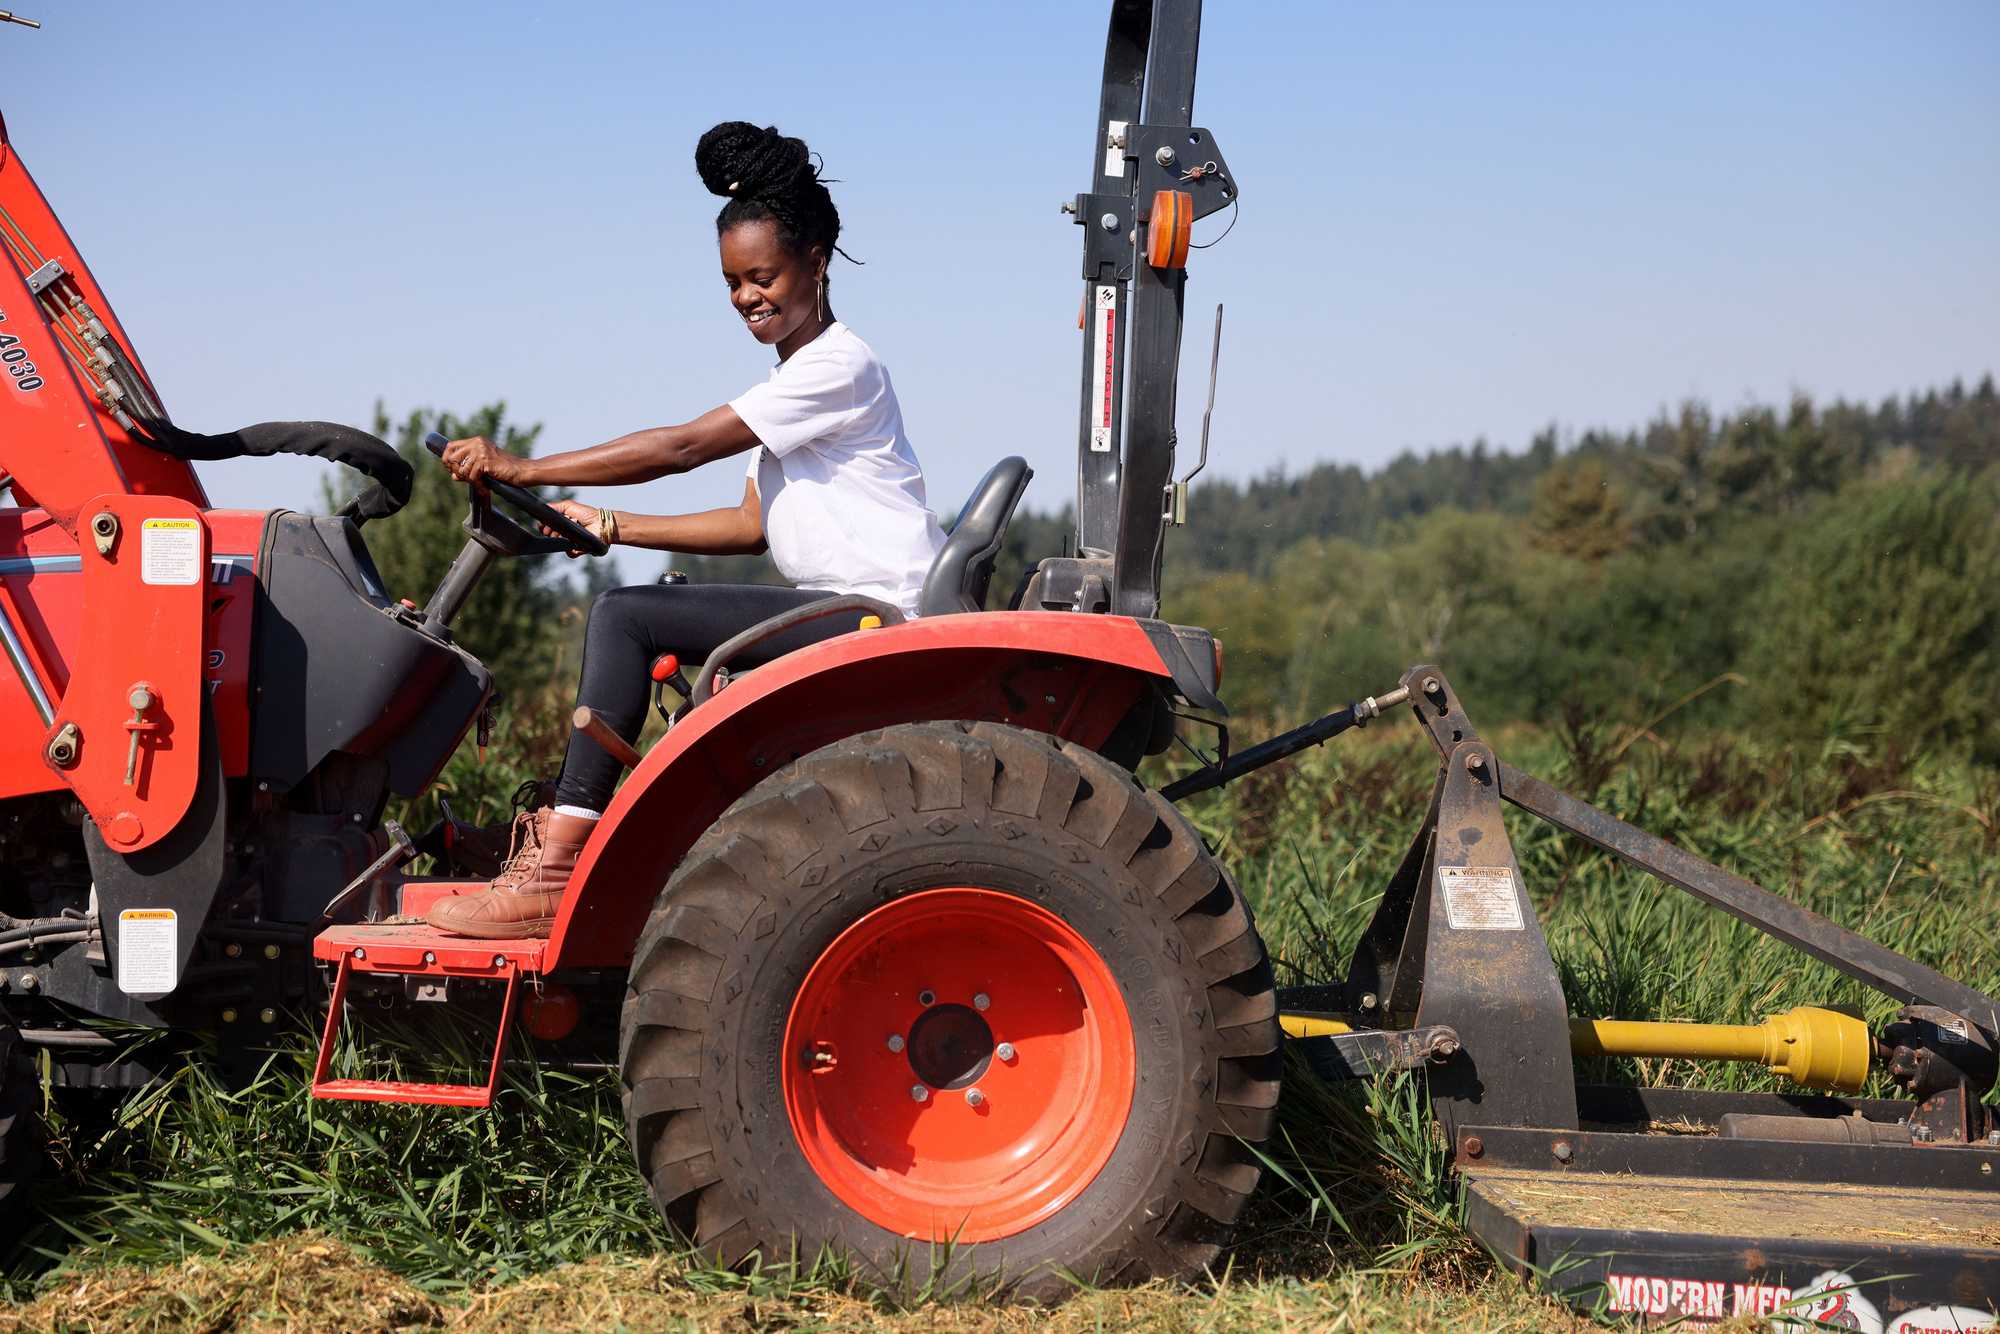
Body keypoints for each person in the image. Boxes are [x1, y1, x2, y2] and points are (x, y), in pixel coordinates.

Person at [425, 121, 945, 939]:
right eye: (733, 282)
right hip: (839, 605)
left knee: (625, 617)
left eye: (763, 275)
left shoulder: (837, 367)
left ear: (815, 260)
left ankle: (560, 865)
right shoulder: (795, 383)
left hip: (875, 614)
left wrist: (522, 467)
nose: (747, 297)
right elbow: (748, 525)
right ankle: (564, 838)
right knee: (636, 607)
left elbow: (680, 447)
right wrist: (609, 524)